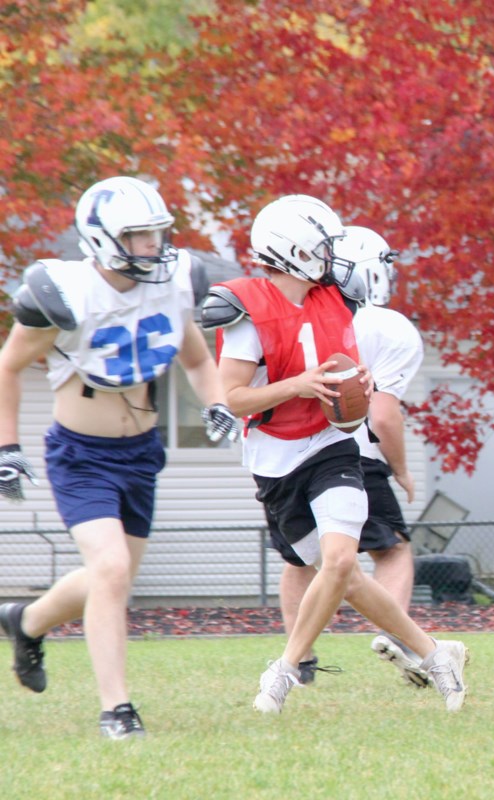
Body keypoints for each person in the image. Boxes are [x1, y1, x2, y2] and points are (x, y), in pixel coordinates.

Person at [200, 195, 467, 713]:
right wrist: (300, 383)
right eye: (323, 243)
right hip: (275, 459)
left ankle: (284, 671)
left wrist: (358, 382)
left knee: (342, 558)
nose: (332, 254)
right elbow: (233, 398)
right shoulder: (244, 309)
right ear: (293, 248)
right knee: (345, 576)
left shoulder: (338, 300)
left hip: (331, 445)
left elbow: (348, 370)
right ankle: (437, 654)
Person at [0, 176, 237, 739]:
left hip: (141, 452)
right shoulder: (66, 292)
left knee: (114, 576)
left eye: (157, 234)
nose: (154, 247)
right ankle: (117, 709)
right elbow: (7, 367)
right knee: (109, 569)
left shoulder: (173, 283)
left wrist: (217, 405)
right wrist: (6, 447)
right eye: (139, 236)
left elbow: (199, 360)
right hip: (81, 454)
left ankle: (25, 621)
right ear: (104, 238)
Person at [256, 226, 430, 687]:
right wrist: (402, 469)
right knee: (390, 550)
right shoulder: (390, 327)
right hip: (349, 455)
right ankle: (398, 636)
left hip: (286, 455)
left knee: (300, 561)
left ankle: (301, 657)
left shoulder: (298, 313)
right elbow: (385, 415)